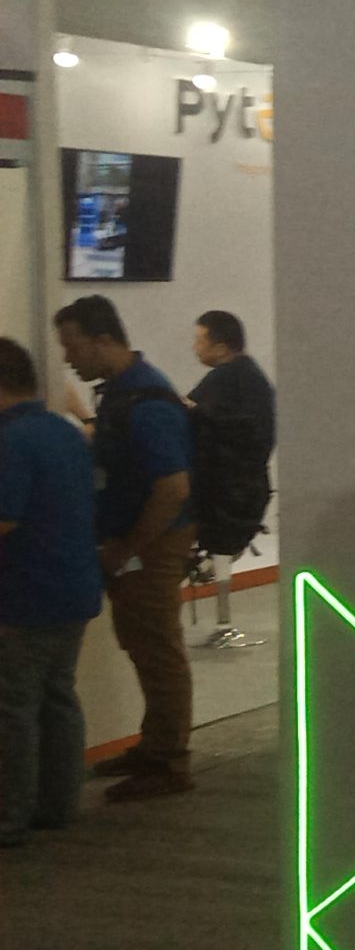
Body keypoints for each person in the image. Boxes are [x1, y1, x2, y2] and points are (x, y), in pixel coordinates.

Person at [56, 295, 197, 800]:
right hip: (137, 541)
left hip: (153, 543)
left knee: (158, 650)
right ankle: (155, 746)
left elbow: (173, 488)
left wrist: (128, 547)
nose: (68, 359)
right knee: (142, 644)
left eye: (72, 347)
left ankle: (170, 762)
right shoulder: (119, 394)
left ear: (102, 341)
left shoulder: (145, 401)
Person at [0, 338, 104, 847]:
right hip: (72, 587)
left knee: (12, 709)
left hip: (24, 594)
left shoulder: (10, 442)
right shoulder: (65, 432)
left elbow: (5, 518)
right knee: (58, 698)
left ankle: (8, 817)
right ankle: (58, 804)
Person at [185, 309, 276, 649]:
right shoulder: (253, 378)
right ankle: (223, 623)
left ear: (221, 347)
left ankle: (223, 624)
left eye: (199, 341)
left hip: (225, 494)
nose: (195, 348)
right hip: (249, 489)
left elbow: (191, 414)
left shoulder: (224, 379)